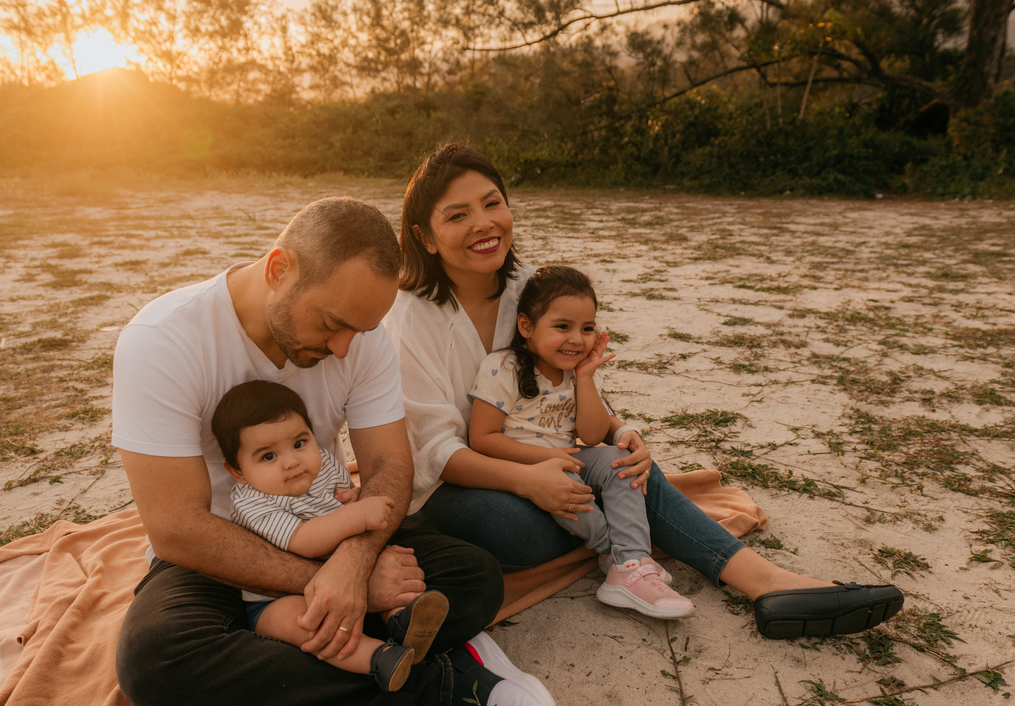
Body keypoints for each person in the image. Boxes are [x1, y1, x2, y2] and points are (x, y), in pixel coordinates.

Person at [112, 197, 567, 706]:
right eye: (331, 324)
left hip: (331, 525)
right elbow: (177, 528)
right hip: (215, 557)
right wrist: (336, 584)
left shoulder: (360, 336)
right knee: (155, 661)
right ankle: (452, 694)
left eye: (362, 330)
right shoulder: (163, 340)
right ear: (279, 269)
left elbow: (388, 466)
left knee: (473, 578)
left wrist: (353, 565)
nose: (346, 347)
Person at [385, 143, 904, 641]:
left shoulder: (529, 288)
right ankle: (626, 543)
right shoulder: (410, 318)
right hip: (457, 487)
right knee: (519, 531)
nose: (483, 223)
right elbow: (436, 452)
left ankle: (765, 582)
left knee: (626, 468)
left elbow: (570, 385)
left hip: (551, 458)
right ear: (425, 237)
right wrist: (527, 481)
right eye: (458, 215)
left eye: (492, 203)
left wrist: (621, 430)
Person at [468, 265, 694, 619]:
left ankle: (632, 560)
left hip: (571, 454)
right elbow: (482, 439)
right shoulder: (504, 367)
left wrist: (586, 378)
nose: (577, 339)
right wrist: (544, 459)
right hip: (523, 465)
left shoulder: (578, 371)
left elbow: (591, 435)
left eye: (587, 328)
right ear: (526, 326)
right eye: (563, 327)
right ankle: (614, 555)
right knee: (567, 481)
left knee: (619, 461)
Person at [210, 379, 451, 692]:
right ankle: (378, 658)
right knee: (303, 623)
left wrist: (357, 496)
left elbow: (344, 497)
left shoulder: (324, 463)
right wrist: (355, 515)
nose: (292, 461)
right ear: (238, 471)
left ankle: (403, 619)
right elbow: (304, 541)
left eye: (299, 443)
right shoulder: (250, 503)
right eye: (268, 457)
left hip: (343, 567)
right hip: (278, 595)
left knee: (390, 563)